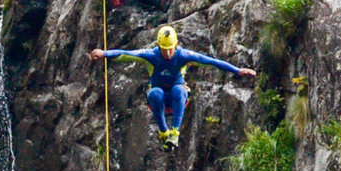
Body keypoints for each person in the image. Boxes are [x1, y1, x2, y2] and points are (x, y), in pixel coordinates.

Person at [89, 25, 256, 148]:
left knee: (178, 89)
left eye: (170, 49)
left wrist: (237, 70)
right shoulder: (152, 56)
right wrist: (104, 54)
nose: (168, 54)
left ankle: (175, 134)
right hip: (159, 99)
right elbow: (127, 54)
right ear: (159, 47)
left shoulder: (183, 56)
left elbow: (211, 62)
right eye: (164, 49)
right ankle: (164, 133)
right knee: (155, 92)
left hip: (178, 98)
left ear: (176, 45)